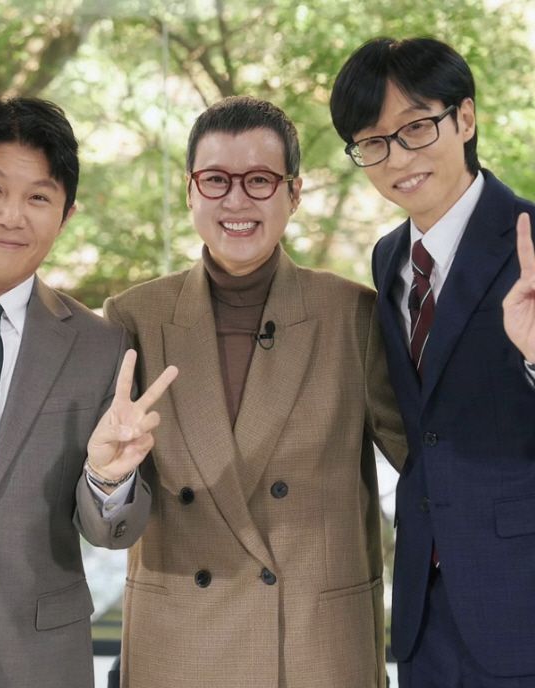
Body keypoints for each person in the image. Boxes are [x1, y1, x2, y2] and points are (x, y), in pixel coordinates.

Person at [105, 95, 406, 688]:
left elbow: (431, 464)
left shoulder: (352, 314)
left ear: (294, 193)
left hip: (316, 646)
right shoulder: (133, 317)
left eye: (260, 180)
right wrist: (108, 480)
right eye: (216, 180)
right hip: (181, 645)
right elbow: (103, 522)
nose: (237, 200)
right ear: (190, 191)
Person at [0, 97, 177, 688]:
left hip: (38, 657)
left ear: (66, 215)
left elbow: (111, 531)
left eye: (39, 198)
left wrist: (108, 479)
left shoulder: (100, 345)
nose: (12, 216)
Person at [330, 37, 535, 687]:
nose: (397, 158)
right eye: (372, 141)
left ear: (465, 118)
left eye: (416, 127)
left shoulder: (531, 243)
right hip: (423, 611)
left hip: (522, 599)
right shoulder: (387, 257)